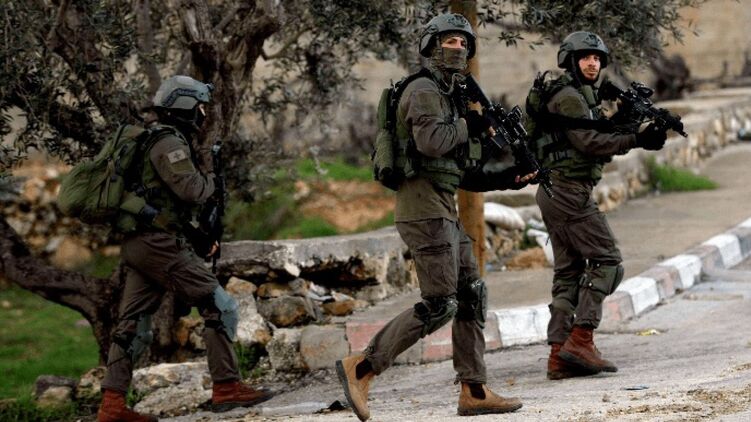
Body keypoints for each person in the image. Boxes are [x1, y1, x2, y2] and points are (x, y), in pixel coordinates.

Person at [336, 13, 536, 421]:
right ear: (431, 46)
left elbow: (462, 174)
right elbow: (431, 142)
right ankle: (363, 367)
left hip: (443, 209)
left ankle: (474, 390)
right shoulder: (424, 90)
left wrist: (510, 178)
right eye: (449, 41)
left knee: (471, 295)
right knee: (440, 304)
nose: (457, 48)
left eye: (463, 42)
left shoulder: (450, 97)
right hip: (423, 212)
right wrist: (471, 123)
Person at [96, 76, 272, 422]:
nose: (203, 113)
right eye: (200, 106)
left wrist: (198, 236)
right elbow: (190, 190)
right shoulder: (168, 142)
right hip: (158, 246)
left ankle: (112, 406)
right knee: (219, 306)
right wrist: (212, 183)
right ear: (185, 106)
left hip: (141, 244)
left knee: (132, 326)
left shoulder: (150, 139)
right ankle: (227, 387)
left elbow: (163, 206)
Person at [526, 32, 668, 380]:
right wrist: (637, 138)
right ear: (571, 61)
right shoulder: (569, 96)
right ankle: (581, 340)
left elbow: (593, 131)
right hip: (567, 192)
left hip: (557, 190)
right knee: (608, 262)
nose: (593, 63)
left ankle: (559, 355)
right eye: (585, 57)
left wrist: (630, 122)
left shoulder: (575, 95)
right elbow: (589, 142)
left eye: (597, 58)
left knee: (569, 272)